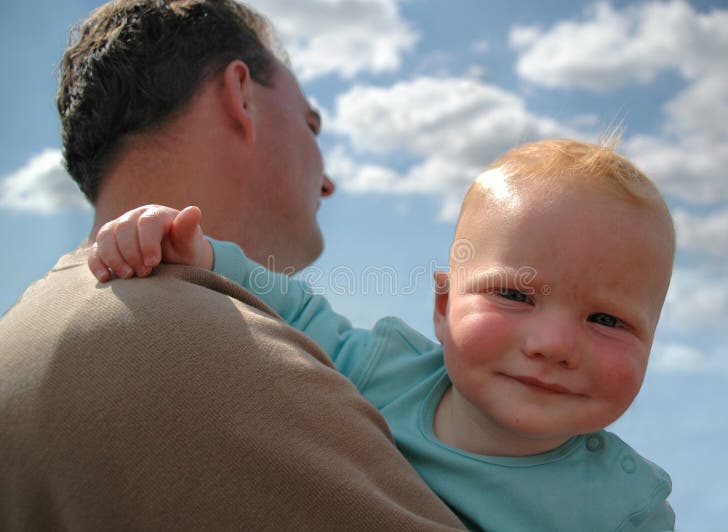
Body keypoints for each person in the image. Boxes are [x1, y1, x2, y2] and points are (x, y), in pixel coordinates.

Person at [0, 1, 466, 530]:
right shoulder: (214, 353)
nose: (329, 183)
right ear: (241, 94)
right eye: (311, 127)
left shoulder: (20, 341)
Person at [91, 138, 678, 531]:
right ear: (445, 306)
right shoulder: (384, 373)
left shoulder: (627, 510)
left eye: (607, 320)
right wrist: (197, 252)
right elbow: (295, 310)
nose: (553, 343)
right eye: (515, 295)